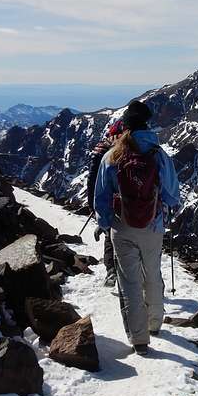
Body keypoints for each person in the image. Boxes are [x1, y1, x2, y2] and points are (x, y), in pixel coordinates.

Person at [93, 100, 180, 354]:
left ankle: (140, 339)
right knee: (152, 273)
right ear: (146, 125)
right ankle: (155, 323)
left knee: (129, 281)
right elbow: (173, 196)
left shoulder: (112, 156)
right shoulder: (159, 155)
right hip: (153, 227)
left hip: (122, 227)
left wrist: (107, 223)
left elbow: (101, 197)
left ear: (125, 128)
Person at [83, 119, 123, 287]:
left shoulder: (101, 151)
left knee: (109, 235)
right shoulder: (121, 151)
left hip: (106, 201)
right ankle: (116, 271)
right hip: (120, 202)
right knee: (114, 236)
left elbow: (92, 180)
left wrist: (93, 205)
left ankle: (111, 271)